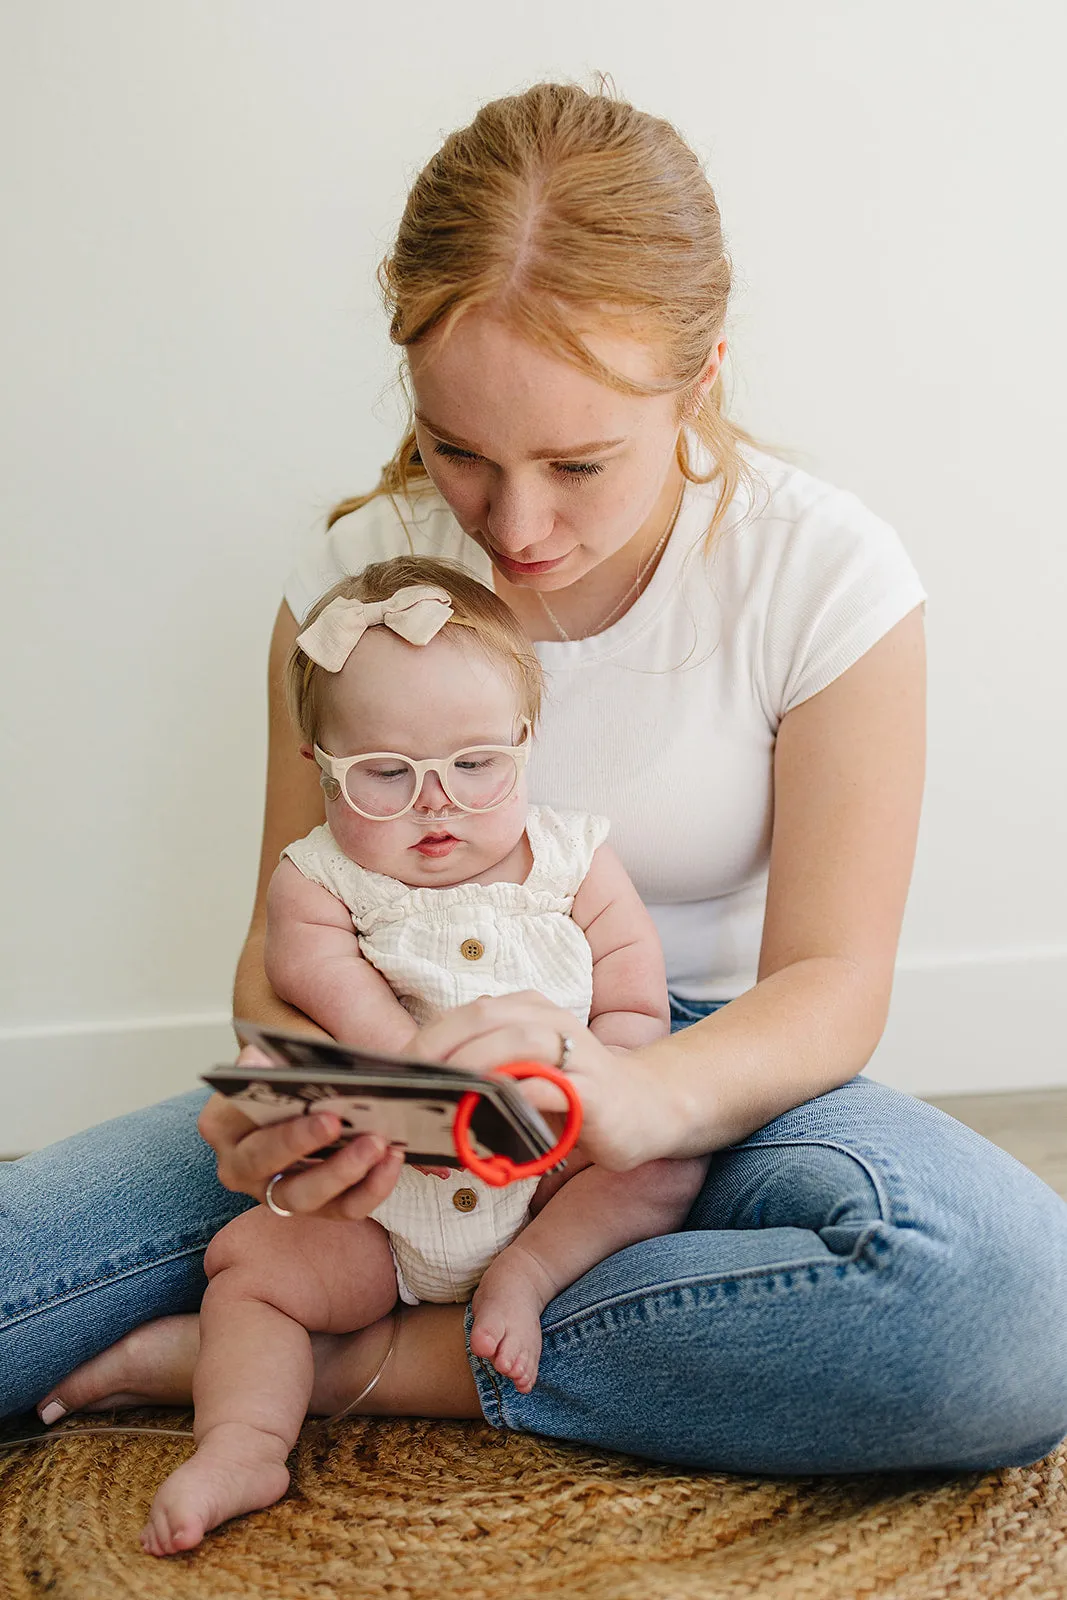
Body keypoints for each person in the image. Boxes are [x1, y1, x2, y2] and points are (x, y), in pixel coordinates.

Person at [5, 82, 1067, 1478]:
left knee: (1003, 1313)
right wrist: (304, 1097)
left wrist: (631, 1094)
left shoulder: (821, 574)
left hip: (700, 1074)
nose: (512, 525)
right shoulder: (350, 589)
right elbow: (281, 948)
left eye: (575, 463)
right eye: (459, 452)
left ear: (695, 383)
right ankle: (463, 1316)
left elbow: (829, 985)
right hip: (410, 1069)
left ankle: (355, 1365)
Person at [140, 556, 705, 1554]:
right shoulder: (320, 878)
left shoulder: (574, 858)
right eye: (385, 775)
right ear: (319, 762)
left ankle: (524, 1277)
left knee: (662, 1167)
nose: (435, 803)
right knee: (255, 1271)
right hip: (378, 1192)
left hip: (543, 1169)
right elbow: (319, 983)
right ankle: (241, 1439)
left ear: (527, 741)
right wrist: (408, 1066)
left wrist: (603, 1080)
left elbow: (629, 999)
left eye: (476, 765)